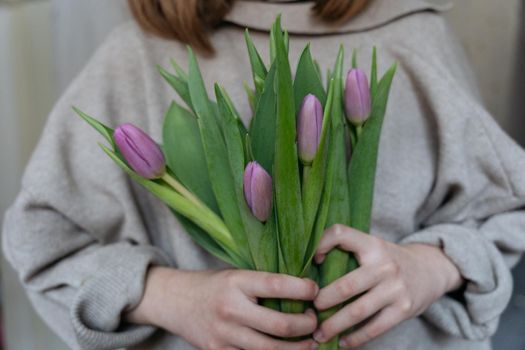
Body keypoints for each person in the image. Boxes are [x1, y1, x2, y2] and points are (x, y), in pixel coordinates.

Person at [3, 0, 525, 349]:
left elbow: (503, 212)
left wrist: (430, 267)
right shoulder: (135, 57)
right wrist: (168, 295)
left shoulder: (415, 39)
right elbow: (43, 240)